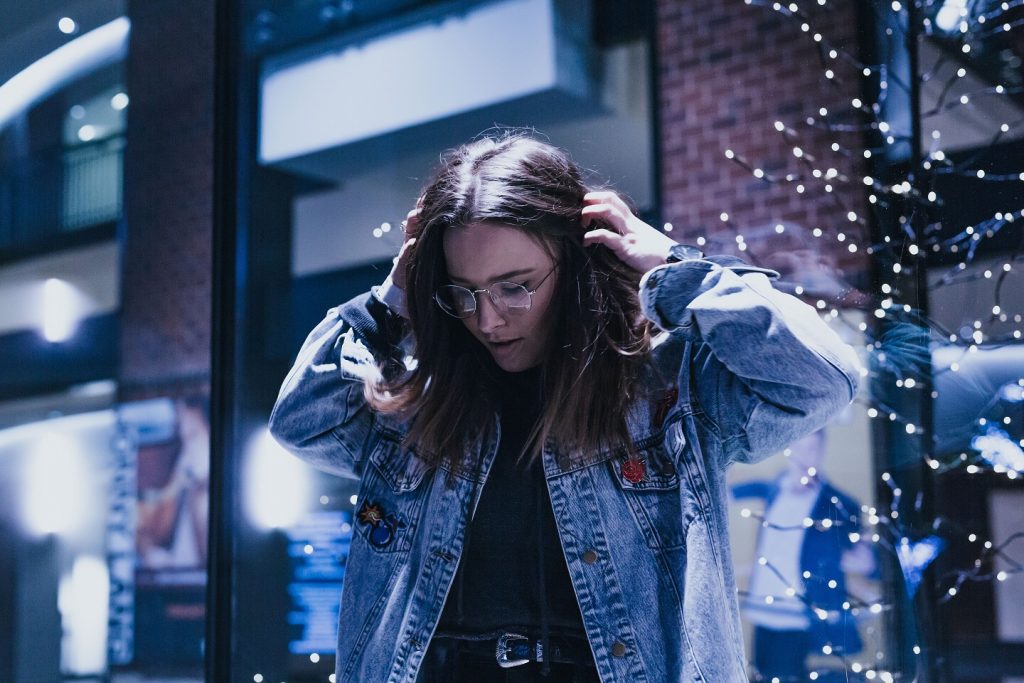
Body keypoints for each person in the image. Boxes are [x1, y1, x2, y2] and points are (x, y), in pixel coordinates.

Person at [269, 132, 861, 682]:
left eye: (515, 286)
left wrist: (675, 266)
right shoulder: (425, 402)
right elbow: (300, 420)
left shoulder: (665, 388)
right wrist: (391, 299)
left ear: (574, 262)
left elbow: (822, 379)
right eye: (464, 292)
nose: (488, 319)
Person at [732, 428, 873, 682]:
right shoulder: (777, 488)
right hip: (762, 609)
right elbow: (750, 489)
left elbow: (865, 558)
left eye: (812, 449)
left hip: (796, 614)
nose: (805, 456)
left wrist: (867, 563)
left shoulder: (839, 505)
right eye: (799, 447)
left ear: (822, 451)